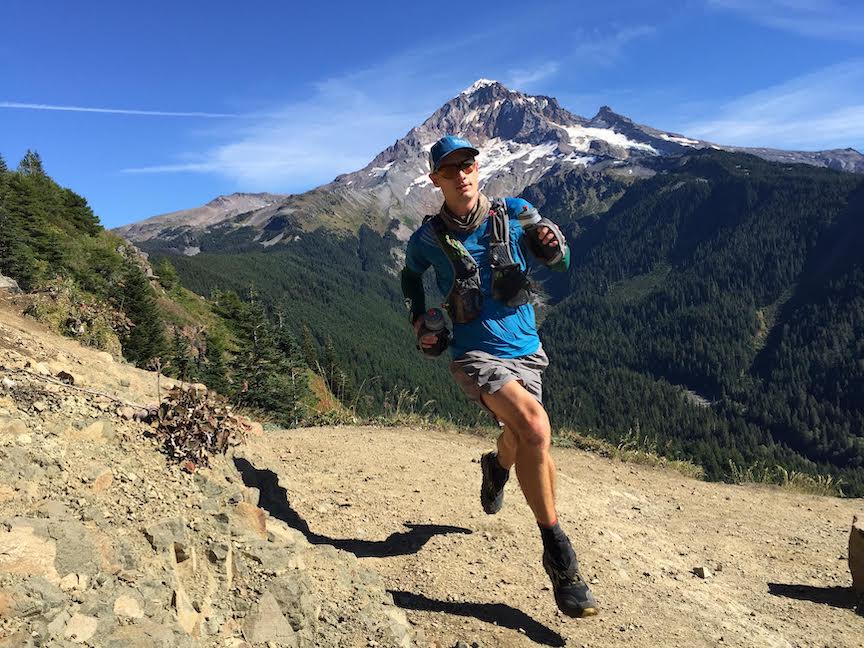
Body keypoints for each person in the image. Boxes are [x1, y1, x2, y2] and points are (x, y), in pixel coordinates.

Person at [400, 135, 599, 618]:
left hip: (528, 352)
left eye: (467, 164)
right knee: (534, 428)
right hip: (474, 354)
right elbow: (410, 277)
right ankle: (559, 555)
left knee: (523, 435)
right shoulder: (427, 239)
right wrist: (420, 321)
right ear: (436, 180)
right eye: (450, 170)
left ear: (477, 168)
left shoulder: (516, 212)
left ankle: (497, 468)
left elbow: (563, 261)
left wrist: (554, 246)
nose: (461, 174)